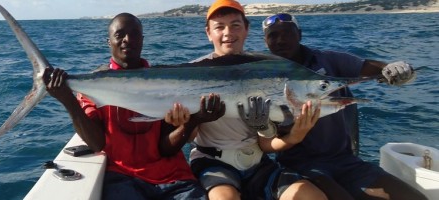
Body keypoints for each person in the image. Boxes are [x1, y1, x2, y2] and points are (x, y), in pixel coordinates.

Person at [42, 13, 212, 200]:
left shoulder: (165, 81)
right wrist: (68, 100)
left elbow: (166, 149)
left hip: (175, 179)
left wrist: (191, 122)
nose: (127, 40)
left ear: (142, 40)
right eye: (119, 34)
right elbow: (96, 144)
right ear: (109, 42)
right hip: (123, 178)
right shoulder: (93, 86)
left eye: (134, 34)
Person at [261, 13, 427, 200]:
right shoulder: (261, 74)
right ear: (265, 41)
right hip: (299, 167)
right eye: (273, 35)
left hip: (346, 162)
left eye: (287, 33)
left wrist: (396, 70)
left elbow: (371, 69)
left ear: (300, 34)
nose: (281, 40)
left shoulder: (328, 60)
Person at [173, 1, 328, 200]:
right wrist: (192, 120)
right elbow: (189, 136)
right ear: (208, 33)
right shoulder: (191, 73)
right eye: (219, 27)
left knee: (312, 196)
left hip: (257, 161)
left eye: (235, 25)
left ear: (247, 29)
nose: (228, 32)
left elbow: (265, 144)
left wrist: (295, 134)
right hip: (212, 162)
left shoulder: (266, 70)